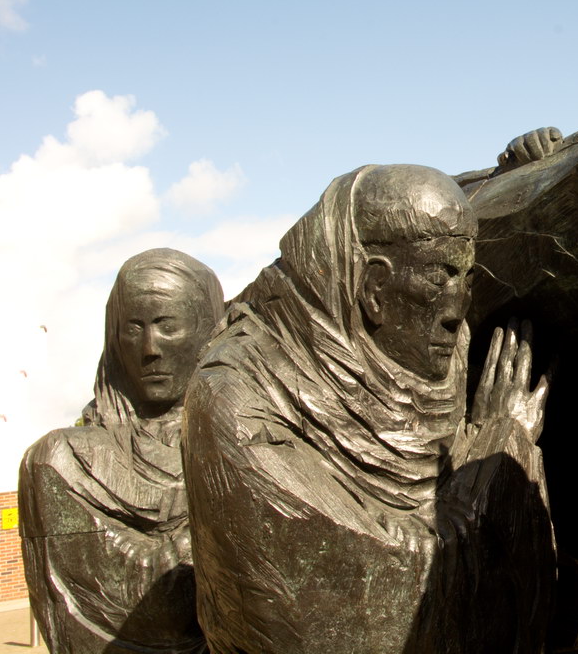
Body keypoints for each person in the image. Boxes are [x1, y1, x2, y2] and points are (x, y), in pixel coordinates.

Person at [182, 164, 555, 654]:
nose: (458, 307)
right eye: (439, 276)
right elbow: (377, 598)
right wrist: (502, 449)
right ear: (374, 287)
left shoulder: (450, 362)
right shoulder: (236, 400)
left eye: (466, 278)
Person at [20, 248, 223, 654]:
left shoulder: (252, 444)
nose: (149, 348)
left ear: (208, 330)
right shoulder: (64, 462)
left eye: (167, 326)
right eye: (133, 329)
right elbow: (157, 606)